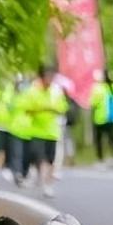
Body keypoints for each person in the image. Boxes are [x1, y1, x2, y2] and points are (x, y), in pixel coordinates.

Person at [13, 67, 69, 198]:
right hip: (37, 131)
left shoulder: (56, 92)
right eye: (47, 77)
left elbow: (63, 108)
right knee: (40, 158)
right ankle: (44, 183)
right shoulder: (33, 91)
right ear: (42, 78)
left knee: (50, 160)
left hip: (52, 131)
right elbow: (25, 109)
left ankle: (46, 183)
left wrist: (52, 108)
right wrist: (41, 109)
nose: (50, 80)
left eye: (51, 77)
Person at [89, 69, 113, 163]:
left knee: (99, 139)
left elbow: (93, 102)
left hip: (100, 118)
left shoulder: (98, 88)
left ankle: (100, 158)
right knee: (112, 138)